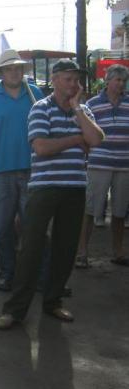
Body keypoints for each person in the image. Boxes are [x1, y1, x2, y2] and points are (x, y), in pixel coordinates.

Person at [0, 60, 105, 330]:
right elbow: (42, 147)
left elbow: (97, 138)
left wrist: (78, 110)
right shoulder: (40, 109)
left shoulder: (84, 110)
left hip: (74, 187)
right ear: (54, 80)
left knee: (65, 248)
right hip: (44, 188)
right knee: (31, 249)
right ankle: (15, 310)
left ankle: (53, 302)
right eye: (68, 79)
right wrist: (76, 140)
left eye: (76, 80)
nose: (73, 85)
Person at [0, 50, 44, 291]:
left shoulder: (36, 95)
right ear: (1, 72)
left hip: (33, 171)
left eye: (18, 68)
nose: (15, 72)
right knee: (3, 228)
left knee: (34, 228)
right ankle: (8, 274)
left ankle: (38, 276)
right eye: (9, 68)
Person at [76, 64, 129, 267]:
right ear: (107, 81)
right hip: (99, 164)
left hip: (124, 165)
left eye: (124, 81)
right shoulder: (93, 104)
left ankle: (118, 252)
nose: (121, 84)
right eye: (117, 80)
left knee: (119, 212)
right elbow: (84, 132)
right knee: (90, 209)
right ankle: (82, 252)